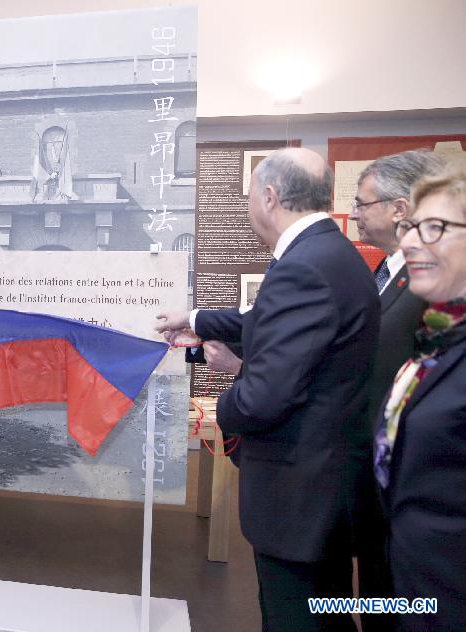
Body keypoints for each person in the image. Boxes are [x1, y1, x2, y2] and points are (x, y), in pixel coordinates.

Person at [157, 148, 380, 631]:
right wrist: (193, 318)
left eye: (250, 195)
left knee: (295, 618)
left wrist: (223, 404)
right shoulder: (329, 253)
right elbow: (262, 324)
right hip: (324, 489)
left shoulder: (304, 267)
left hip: (299, 497)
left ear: (271, 197)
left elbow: (261, 399)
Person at [346, 150, 444, 630]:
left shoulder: (434, 285)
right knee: (377, 599)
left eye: (363, 203)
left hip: (413, 478)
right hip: (378, 473)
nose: (356, 213)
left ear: (399, 209)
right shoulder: (386, 272)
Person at [374, 164, 466, 631]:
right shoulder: (440, 336)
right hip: (414, 590)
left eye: (435, 228)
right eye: (411, 227)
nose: (409, 241)